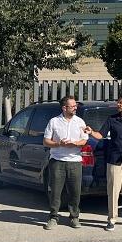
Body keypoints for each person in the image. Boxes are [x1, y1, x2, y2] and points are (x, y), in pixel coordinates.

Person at [84, 94, 122, 231]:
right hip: (114, 159)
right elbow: (101, 135)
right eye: (118, 102)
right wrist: (91, 132)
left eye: (121, 102)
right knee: (113, 189)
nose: (118, 104)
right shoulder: (112, 119)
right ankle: (112, 219)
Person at [42, 95, 89, 230]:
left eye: (75, 106)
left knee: (75, 192)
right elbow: (46, 141)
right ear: (64, 108)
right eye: (72, 106)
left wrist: (75, 143)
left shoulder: (80, 121)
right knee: (55, 191)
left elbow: (84, 140)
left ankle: (74, 217)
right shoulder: (54, 122)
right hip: (57, 161)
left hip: (75, 161)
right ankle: (53, 217)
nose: (75, 108)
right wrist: (58, 144)